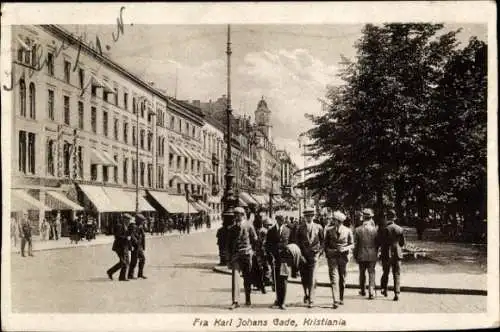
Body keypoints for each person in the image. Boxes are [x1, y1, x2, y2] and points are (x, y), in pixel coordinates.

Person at [226, 206, 258, 309]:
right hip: (236, 256)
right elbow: (228, 245)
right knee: (235, 278)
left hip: (247, 255)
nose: (236, 217)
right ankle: (235, 301)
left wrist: (253, 251)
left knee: (247, 277)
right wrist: (228, 258)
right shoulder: (232, 228)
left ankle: (248, 299)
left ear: (243, 215)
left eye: (238, 215)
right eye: (235, 215)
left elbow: (255, 239)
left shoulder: (249, 225)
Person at [324, 211, 354, 308]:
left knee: (342, 278)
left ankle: (341, 298)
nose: (333, 221)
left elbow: (352, 244)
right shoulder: (329, 230)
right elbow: (325, 245)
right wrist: (329, 252)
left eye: (335, 220)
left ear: (339, 221)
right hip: (332, 257)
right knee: (334, 278)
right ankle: (335, 300)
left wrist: (344, 248)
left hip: (343, 258)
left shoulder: (348, 230)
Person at [296, 207, 324, 308]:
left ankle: (311, 299)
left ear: (313, 216)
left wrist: (319, 253)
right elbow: (297, 243)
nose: (309, 218)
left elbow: (323, 242)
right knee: (304, 278)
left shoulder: (319, 227)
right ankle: (306, 294)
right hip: (303, 256)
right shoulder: (300, 228)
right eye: (307, 216)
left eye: (311, 216)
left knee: (312, 278)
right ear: (304, 217)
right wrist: (300, 255)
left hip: (314, 256)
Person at [379, 209, 405, 301]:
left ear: (387, 218)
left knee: (385, 272)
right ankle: (397, 293)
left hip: (386, 253)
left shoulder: (384, 229)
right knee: (397, 273)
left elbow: (381, 242)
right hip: (397, 253)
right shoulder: (400, 229)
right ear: (394, 218)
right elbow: (402, 243)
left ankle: (384, 289)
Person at [266, 212, 291, 310]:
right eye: (280, 219)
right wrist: (270, 256)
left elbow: (292, 244)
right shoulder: (271, 231)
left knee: (284, 280)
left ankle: (283, 302)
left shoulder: (288, 230)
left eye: (284, 219)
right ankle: (278, 300)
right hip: (275, 259)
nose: (282, 221)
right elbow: (267, 245)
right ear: (276, 219)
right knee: (276, 280)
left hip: (284, 259)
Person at [354, 208, 379, 299]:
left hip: (361, 254)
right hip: (372, 254)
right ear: (371, 218)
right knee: (371, 272)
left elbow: (356, 245)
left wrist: (355, 255)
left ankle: (363, 290)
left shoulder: (358, 230)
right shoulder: (375, 230)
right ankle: (371, 291)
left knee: (362, 273)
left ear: (363, 218)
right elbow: (377, 243)